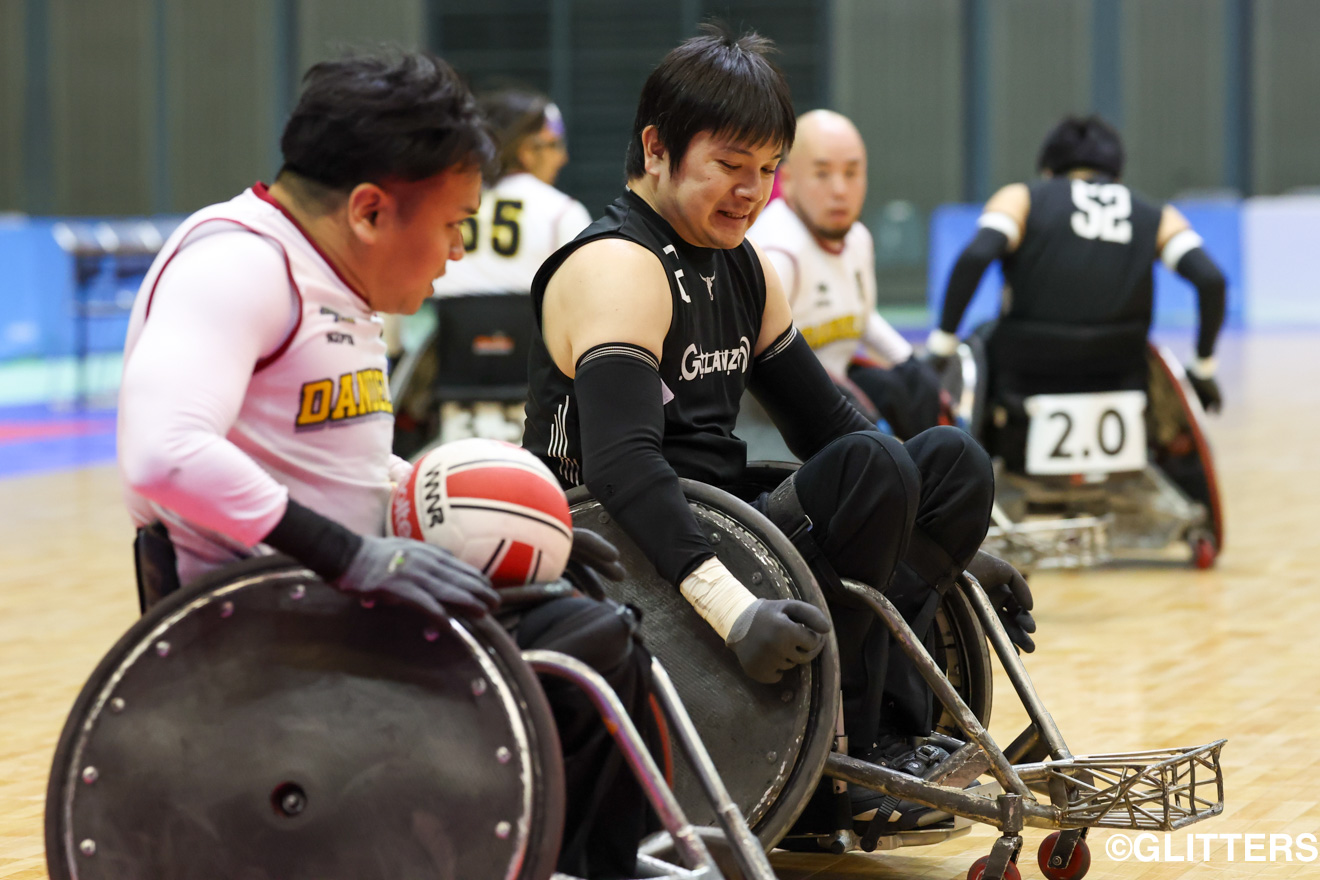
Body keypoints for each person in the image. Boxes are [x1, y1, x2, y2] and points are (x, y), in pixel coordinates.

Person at [117, 51, 653, 880]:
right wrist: (350, 554)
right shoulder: (237, 265)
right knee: (587, 643)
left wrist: (527, 521)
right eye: (453, 224)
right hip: (266, 631)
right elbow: (165, 453)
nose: (458, 251)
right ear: (370, 210)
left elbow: (346, 469)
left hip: (343, 610)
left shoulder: (332, 276)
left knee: (589, 609)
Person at [522, 26, 1035, 831]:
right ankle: (842, 765)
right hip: (620, 548)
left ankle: (890, 734)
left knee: (949, 462)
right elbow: (621, 467)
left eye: (767, 169)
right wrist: (729, 607)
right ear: (656, 149)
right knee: (871, 469)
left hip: (718, 521)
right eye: (731, 165)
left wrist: (956, 555)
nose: (752, 191)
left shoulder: (743, 265)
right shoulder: (617, 264)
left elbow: (831, 423)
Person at [928, 114, 1227, 415]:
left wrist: (942, 346)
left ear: (1048, 172)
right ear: (1117, 176)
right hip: (1121, 369)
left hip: (1028, 370)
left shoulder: (1021, 197)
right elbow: (1211, 280)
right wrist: (1202, 369)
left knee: (981, 337)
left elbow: (977, 256)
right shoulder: (1158, 215)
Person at [750, 109, 941, 440]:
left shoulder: (858, 239)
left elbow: (861, 316)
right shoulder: (775, 254)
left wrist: (910, 363)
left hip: (839, 384)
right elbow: (754, 363)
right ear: (788, 180)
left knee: (915, 388)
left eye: (851, 173)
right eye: (822, 174)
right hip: (776, 414)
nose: (840, 190)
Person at [431, 88, 592, 297]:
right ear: (526, 151)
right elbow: (586, 296)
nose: (562, 158)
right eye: (553, 145)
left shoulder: (443, 205)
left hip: (444, 318)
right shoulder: (562, 212)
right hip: (533, 319)